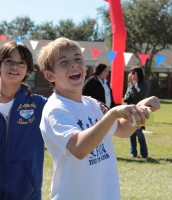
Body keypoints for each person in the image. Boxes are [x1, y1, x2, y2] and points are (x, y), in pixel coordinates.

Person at [37, 38, 161, 200]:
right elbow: (79, 148)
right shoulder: (55, 109)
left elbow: (122, 130)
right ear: (50, 75)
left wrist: (140, 108)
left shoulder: (92, 103)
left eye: (78, 59)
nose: (73, 64)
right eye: (64, 62)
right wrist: (112, 113)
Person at [0, 41, 47, 200]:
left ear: (28, 69)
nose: (15, 67)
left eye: (21, 63)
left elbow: (66, 105)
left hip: (27, 192)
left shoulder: (38, 104)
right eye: (9, 61)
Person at [124, 66, 149, 158]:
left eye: (133, 73)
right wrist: (129, 85)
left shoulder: (144, 84)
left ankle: (144, 153)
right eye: (130, 73)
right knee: (131, 133)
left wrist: (131, 84)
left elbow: (138, 95)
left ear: (138, 73)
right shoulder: (132, 84)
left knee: (139, 133)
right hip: (130, 111)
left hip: (139, 112)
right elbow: (127, 96)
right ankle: (133, 153)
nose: (131, 75)